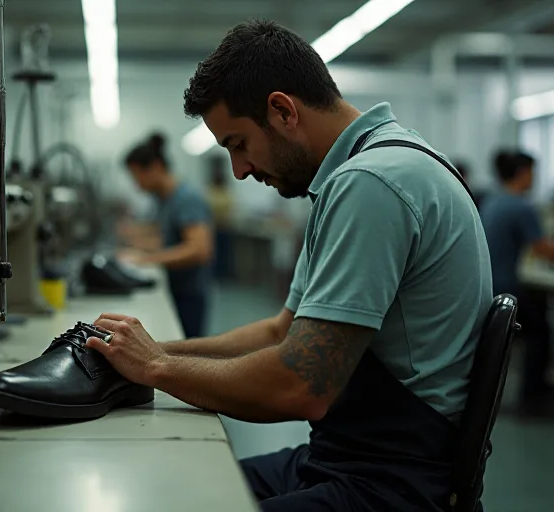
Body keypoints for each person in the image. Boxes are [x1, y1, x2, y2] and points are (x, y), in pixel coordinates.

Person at [83, 21, 492, 511]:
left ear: (282, 110)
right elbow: (283, 332)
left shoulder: (372, 183)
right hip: (347, 458)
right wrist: (148, 352)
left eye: (238, 144)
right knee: (174, 485)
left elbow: (304, 384)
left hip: (392, 486)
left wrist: (158, 367)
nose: (239, 170)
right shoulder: (361, 170)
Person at [479, 150, 554, 414]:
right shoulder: (520, 205)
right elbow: (542, 247)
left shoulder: (493, 201)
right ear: (522, 173)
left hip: (489, 284)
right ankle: (533, 397)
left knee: (537, 320)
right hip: (507, 286)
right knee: (541, 333)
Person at [121, 133, 214, 339]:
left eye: (137, 177)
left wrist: (145, 260)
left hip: (188, 295)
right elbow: (167, 238)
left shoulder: (186, 198)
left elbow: (200, 250)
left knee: (188, 355)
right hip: (176, 288)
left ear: (155, 167)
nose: (137, 185)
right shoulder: (165, 199)